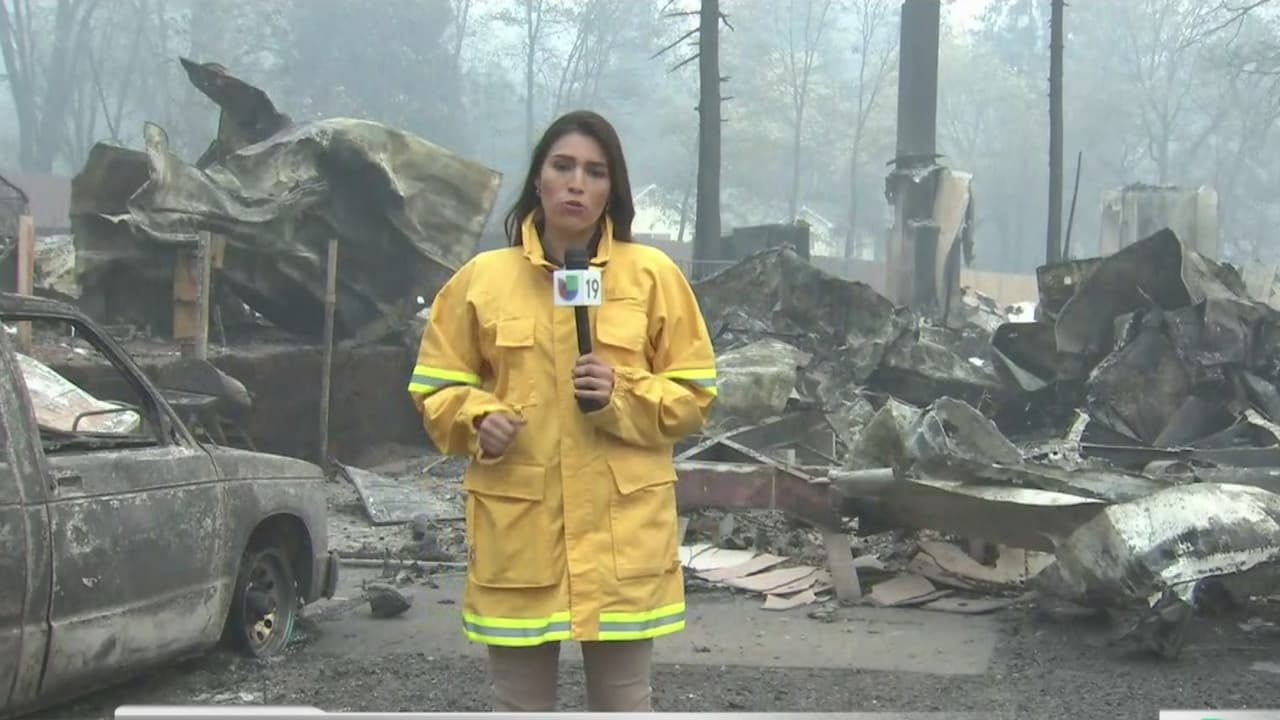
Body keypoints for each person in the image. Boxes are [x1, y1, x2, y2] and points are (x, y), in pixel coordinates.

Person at [406, 109, 718, 712]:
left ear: (612, 189)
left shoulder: (653, 277)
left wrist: (621, 394)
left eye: (595, 172)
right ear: (538, 181)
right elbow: (435, 389)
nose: (578, 183)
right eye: (563, 166)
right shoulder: (481, 281)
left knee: (625, 705)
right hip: (519, 540)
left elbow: (695, 396)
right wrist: (477, 420)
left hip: (622, 541)